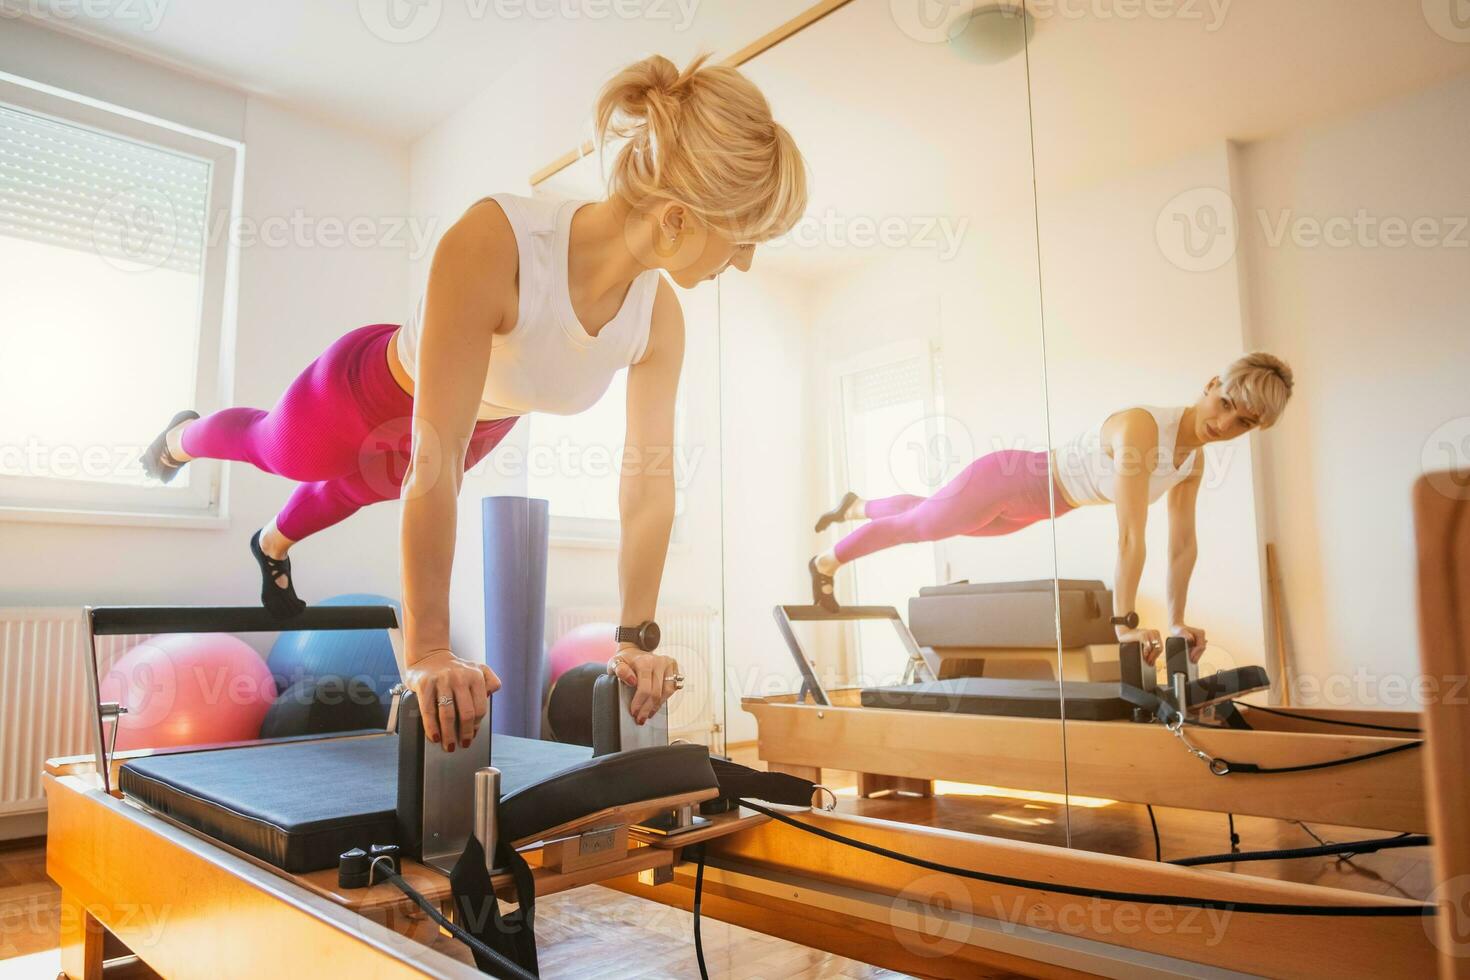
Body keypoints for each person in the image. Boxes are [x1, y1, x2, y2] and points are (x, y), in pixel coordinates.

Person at [139, 54, 808, 749]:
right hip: (367, 390)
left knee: (353, 493)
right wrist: (427, 648)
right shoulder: (497, 243)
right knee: (278, 451)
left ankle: (272, 541)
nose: (749, 259)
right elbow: (432, 465)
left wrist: (635, 638)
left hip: (480, 424)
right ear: (677, 218)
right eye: (748, 237)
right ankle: (183, 438)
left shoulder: (658, 316)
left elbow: (647, 486)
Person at [808, 353, 1293, 664]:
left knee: (929, 515)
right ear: (1211, 384)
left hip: (1043, 506)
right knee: (920, 526)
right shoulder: (1143, 429)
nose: (1225, 423)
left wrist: (1177, 620)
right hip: (1009, 480)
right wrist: (1122, 622)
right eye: (1226, 403)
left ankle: (857, 507)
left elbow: (1183, 546)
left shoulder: (1191, 463)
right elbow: (1130, 535)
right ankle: (827, 562)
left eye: (1244, 423)